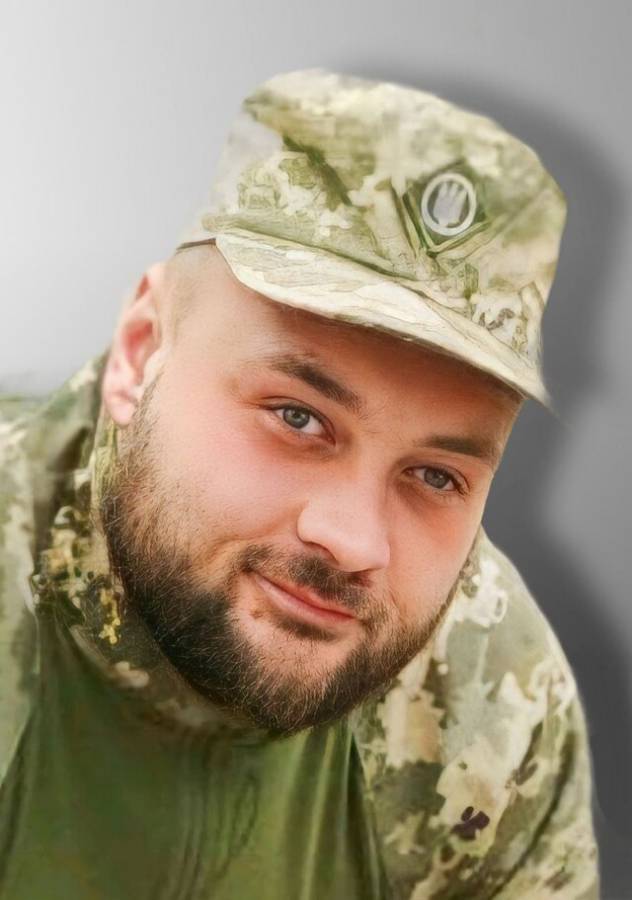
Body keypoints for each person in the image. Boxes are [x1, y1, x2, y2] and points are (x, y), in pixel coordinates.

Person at [0, 69, 599, 898]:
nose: (353, 541)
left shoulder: (494, 700)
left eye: (435, 475)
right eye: (297, 417)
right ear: (140, 353)